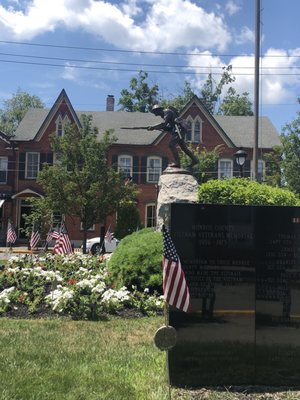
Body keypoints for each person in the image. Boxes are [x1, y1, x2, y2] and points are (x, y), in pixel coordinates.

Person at [147, 105, 198, 170]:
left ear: (158, 110)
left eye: (154, 112)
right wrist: (155, 128)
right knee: (183, 148)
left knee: (171, 144)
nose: (155, 114)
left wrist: (153, 126)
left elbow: (164, 123)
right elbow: (169, 127)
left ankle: (177, 163)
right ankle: (194, 160)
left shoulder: (167, 112)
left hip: (179, 130)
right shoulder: (164, 115)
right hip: (177, 130)